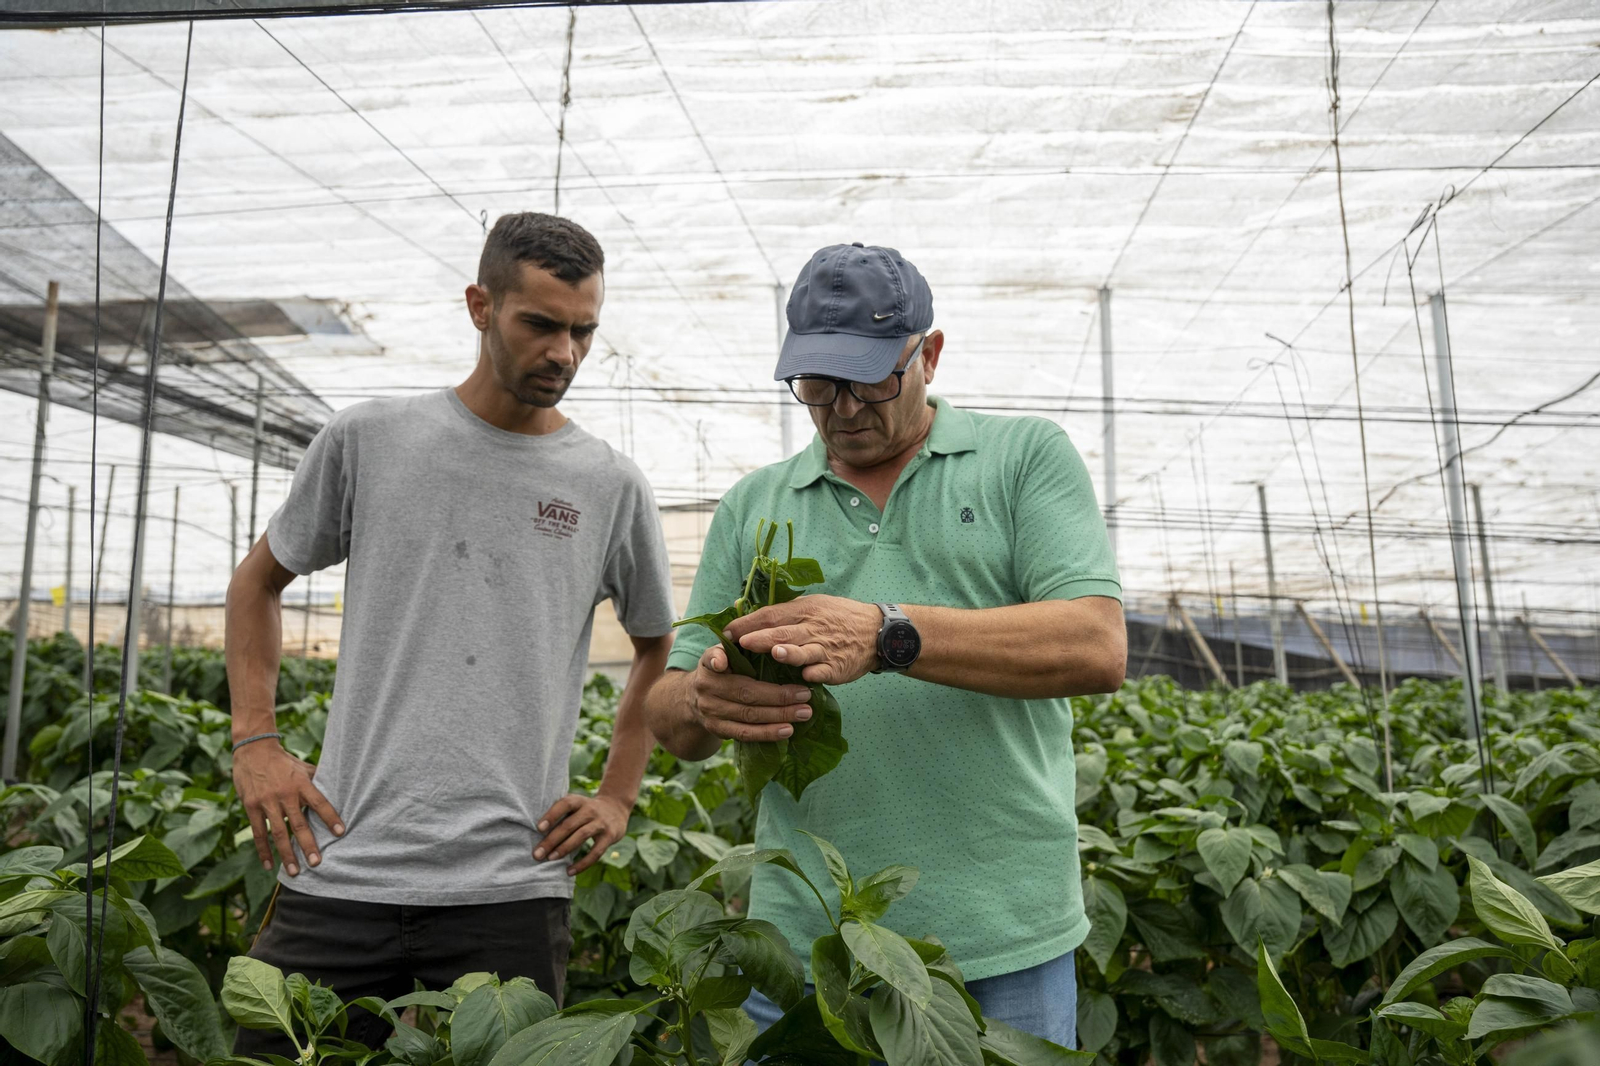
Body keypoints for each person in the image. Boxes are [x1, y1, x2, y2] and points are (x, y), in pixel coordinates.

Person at [643, 242, 1125, 1048]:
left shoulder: (1022, 460)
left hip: (1002, 940)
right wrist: (700, 698)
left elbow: (1095, 644)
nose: (841, 407)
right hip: (808, 946)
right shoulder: (753, 506)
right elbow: (671, 716)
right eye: (818, 385)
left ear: (928, 355)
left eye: (870, 378)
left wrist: (887, 633)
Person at [224, 213, 675, 1054]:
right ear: (480, 305)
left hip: (511, 886)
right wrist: (256, 741)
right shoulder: (371, 441)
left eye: (583, 332)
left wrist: (617, 794)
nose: (564, 354)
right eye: (539, 324)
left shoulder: (609, 485)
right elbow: (257, 583)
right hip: (342, 863)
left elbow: (658, 645)